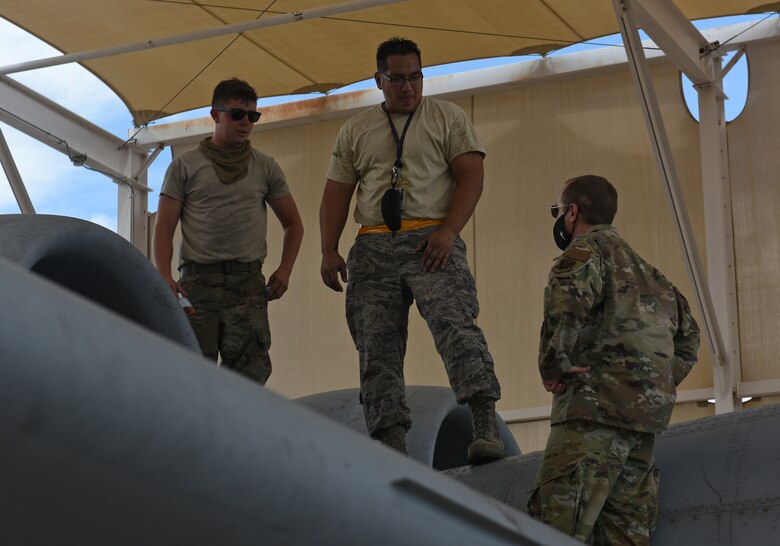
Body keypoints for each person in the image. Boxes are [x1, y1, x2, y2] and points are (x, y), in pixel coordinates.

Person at [319, 36, 504, 464]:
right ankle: (391, 445)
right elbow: (336, 194)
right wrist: (328, 250)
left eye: (416, 77)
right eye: (397, 78)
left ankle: (483, 425)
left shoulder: (447, 117)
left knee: (456, 327)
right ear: (378, 79)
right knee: (376, 346)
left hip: (431, 242)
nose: (408, 87)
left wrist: (449, 231)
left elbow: (471, 177)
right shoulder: (356, 129)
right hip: (373, 246)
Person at [527, 175, 701, 544]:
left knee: (554, 527)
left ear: (572, 212)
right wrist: (649, 387)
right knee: (626, 535)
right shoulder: (655, 278)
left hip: (591, 416)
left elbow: (566, 307)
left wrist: (553, 367)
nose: (558, 219)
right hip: (641, 429)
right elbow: (689, 338)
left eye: (558, 211)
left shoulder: (583, 255)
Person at [153, 77, 303, 386]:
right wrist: (165, 276)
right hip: (197, 283)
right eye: (237, 114)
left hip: (247, 283)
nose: (246, 122)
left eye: (253, 116)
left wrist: (285, 269)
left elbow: (294, 224)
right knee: (192, 376)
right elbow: (164, 227)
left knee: (248, 380)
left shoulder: (266, 167)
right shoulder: (185, 166)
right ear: (215, 115)